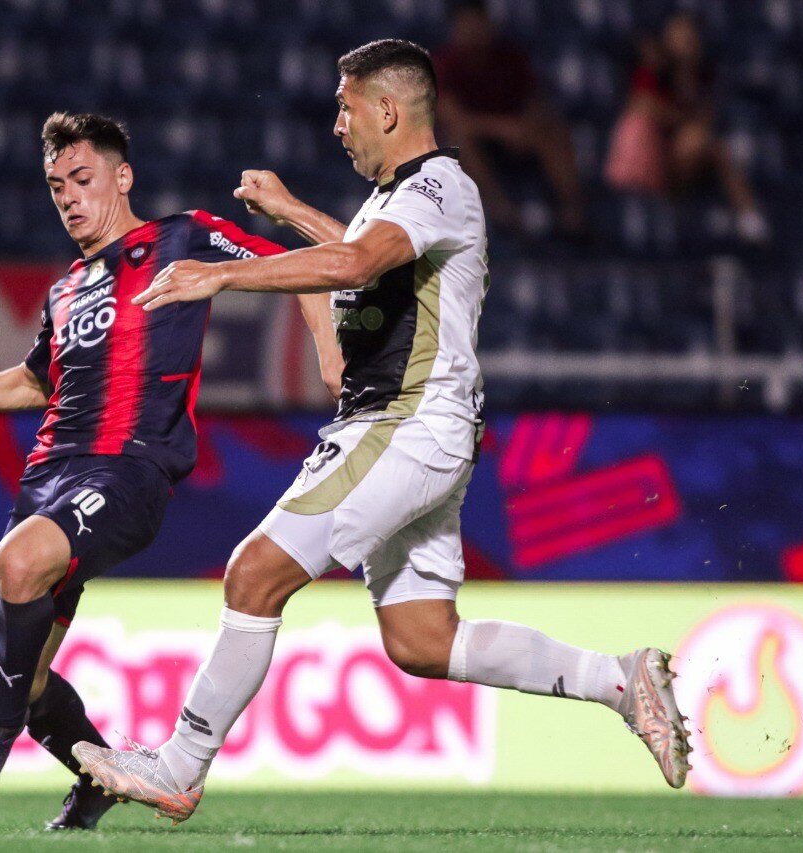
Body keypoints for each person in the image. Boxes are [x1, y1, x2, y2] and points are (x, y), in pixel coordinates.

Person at [73, 39, 690, 824]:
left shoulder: (439, 184)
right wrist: (294, 209)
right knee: (422, 639)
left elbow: (359, 262)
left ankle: (177, 765)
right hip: (417, 426)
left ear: (388, 110)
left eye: (345, 106)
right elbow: (365, 252)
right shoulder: (398, 198)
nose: (337, 124)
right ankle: (619, 677)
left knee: (254, 572)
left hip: (407, 420)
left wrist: (221, 273)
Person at [0, 111, 342, 831]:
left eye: (82, 180)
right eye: (57, 187)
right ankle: (96, 775)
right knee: (26, 678)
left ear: (122, 177)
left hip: (128, 470)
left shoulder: (182, 236)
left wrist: (329, 356)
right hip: (46, 476)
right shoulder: (67, 289)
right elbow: (34, 382)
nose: (69, 198)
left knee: (19, 563)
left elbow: (302, 271)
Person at [604, 13, 769, 244]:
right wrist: (681, 118)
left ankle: (748, 216)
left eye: (689, 36)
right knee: (700, 139)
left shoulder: (704, 77)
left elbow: (706, 118)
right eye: (679, 36)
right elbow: (643, 106)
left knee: (714, 146)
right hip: (652, 158)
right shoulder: (652, 71)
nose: (685, 41)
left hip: (686, 161)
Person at [433, 0, 586, 236]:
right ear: (455, 29)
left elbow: (535, 103)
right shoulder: (444, 64)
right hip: (476, 143)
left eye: (478, 23)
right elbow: (455, 119)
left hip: (516, 140)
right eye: (466, 25)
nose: (473, 31)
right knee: (458, 141)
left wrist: (526, 127)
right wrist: (503, 129)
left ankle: (573, 213)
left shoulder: (510, 58)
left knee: (553, 130)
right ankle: (501, 212)